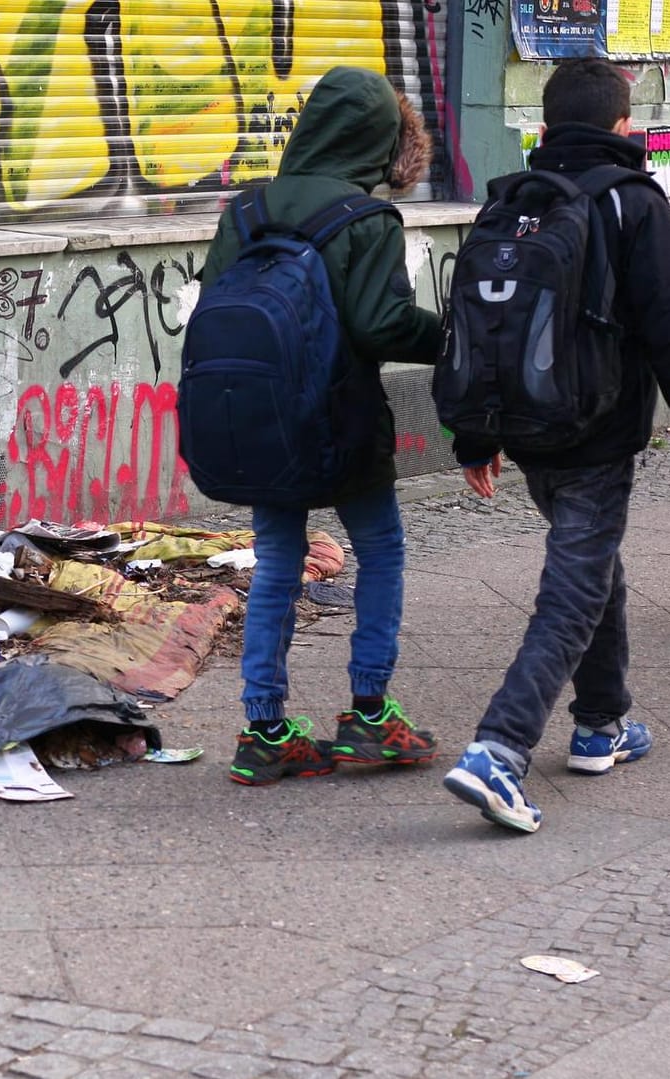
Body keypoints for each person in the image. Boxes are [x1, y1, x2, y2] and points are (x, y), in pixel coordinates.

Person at [443, 59, 670, 833]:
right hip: (598, 430)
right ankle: (499, 748)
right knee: (572, 587)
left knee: (591, 563)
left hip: (522, 427)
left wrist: (473, 434)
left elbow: (474, 326)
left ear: (546, 120)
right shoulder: (634, 202)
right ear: (620, 125)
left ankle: (602, 723)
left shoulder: (510, 202)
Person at [199, 66, 443, 785]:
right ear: (376, 139)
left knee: (277, 562)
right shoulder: (365, 219)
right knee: (382, 549)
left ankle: (265, 729)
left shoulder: (245, 211)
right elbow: (381, 323)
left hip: (261, 423)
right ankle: (369, 715)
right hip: (342, 422)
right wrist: (453, 337)